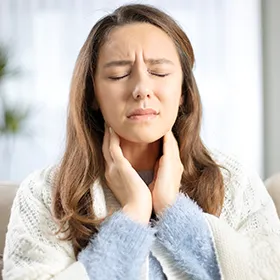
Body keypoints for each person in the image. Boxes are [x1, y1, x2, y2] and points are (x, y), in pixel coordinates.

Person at [2, 4, 280, 280]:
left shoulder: (236, 182)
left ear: (183, 90)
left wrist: (174, 209)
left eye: (158, 72)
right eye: (118, 75)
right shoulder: (45, 193)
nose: (141, 89)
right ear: (92, 95)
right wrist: (132, 216)